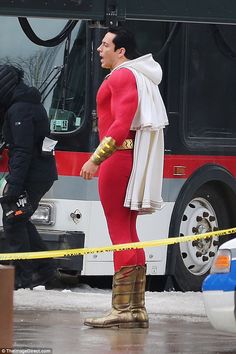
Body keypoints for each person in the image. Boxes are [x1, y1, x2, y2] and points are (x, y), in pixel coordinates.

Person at [80, 26, 168, 328]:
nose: (99, 49)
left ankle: (121, 309)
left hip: (117, 160)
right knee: (129, 232)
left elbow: (119, 126)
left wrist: (95, 159)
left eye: (105, 45)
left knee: (119, 233)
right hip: (127, 157)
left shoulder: (121, 76)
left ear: (121, 52)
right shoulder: (137, 75)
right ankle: (135, 308)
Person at [0, 65, 58, 290]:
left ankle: (23, 278)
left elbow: (22, 150)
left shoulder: (20, 110)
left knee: (13, 220)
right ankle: (45, 270)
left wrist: (14, 185)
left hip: (33, 175)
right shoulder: (24, 104)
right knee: (20, 218)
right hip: (39, 173)